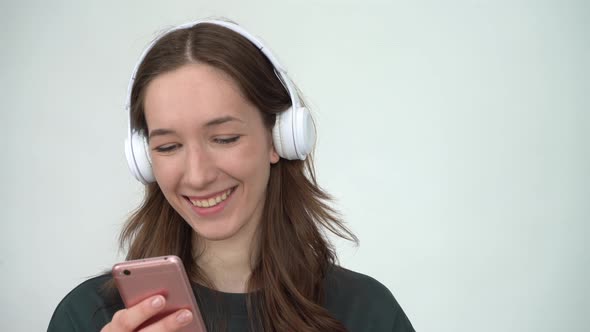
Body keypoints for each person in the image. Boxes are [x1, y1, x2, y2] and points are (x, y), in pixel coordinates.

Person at [48, 19, 415, 332]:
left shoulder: (367, 313)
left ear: (280, 139)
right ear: (144, 162)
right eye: (168, 146)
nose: (197, 175)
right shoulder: (88, 317)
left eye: (224, 138)